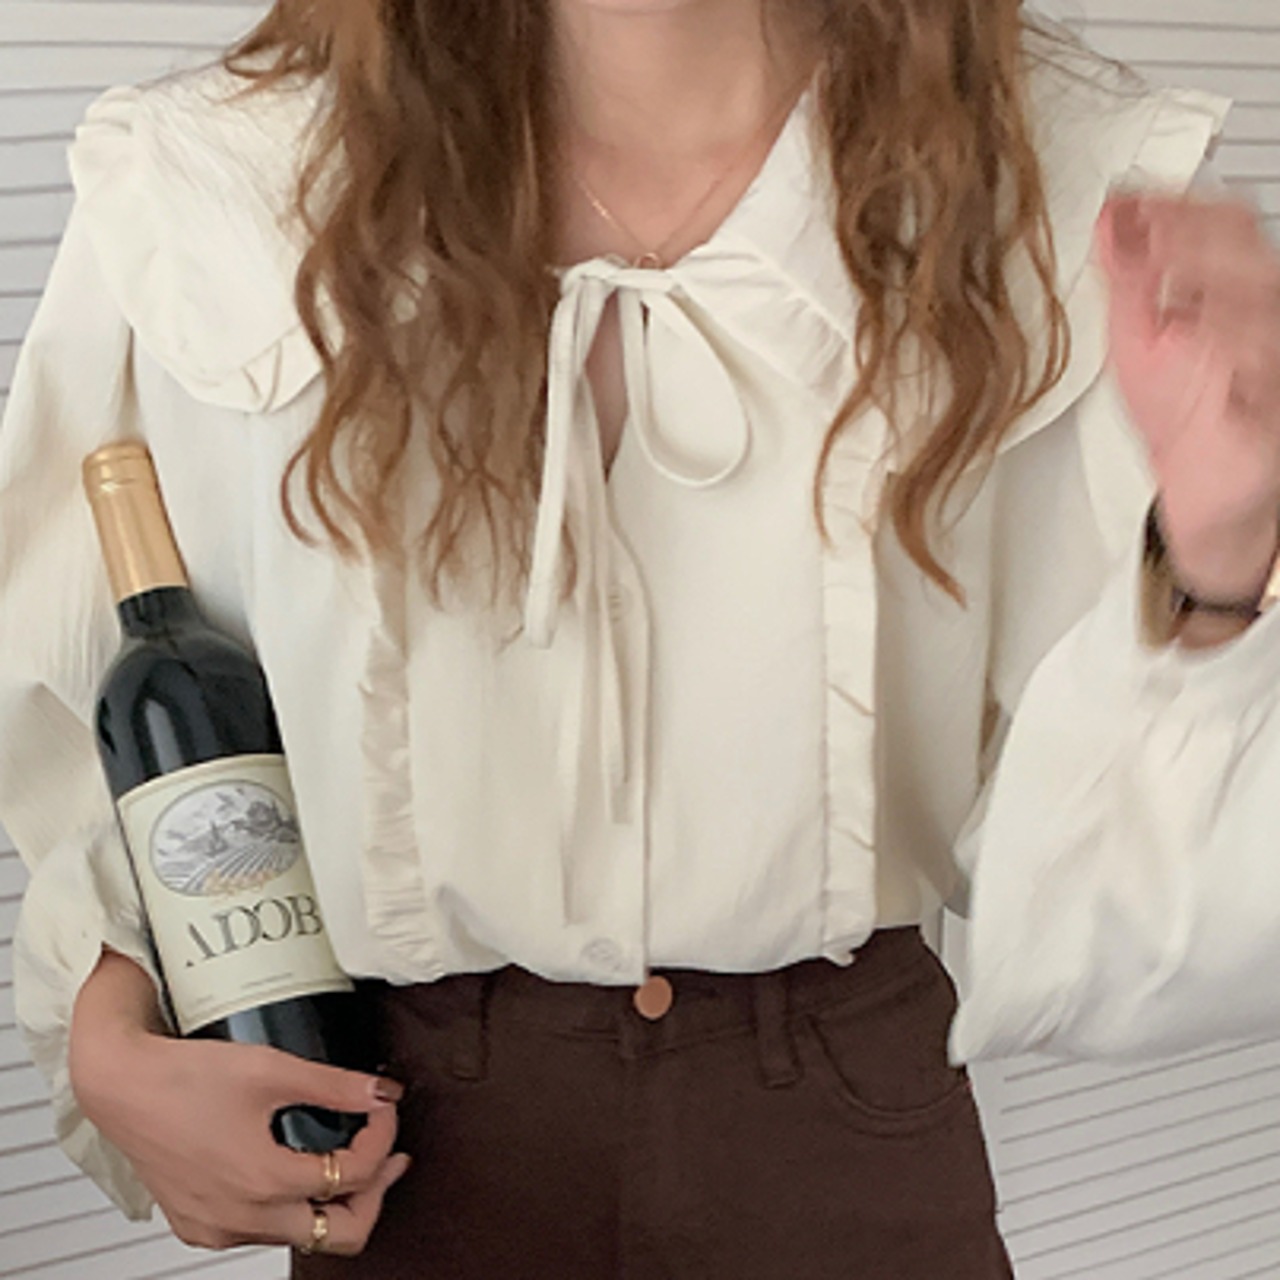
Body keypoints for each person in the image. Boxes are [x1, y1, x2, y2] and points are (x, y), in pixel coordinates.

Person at [2, 1, 1279, 1276]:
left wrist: (1218, 553)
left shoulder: (1067, 187)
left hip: (845, 1143)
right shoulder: (220, 183)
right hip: (407, 1142)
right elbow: (125, 723)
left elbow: (1117, 911)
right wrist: (107, 1023)